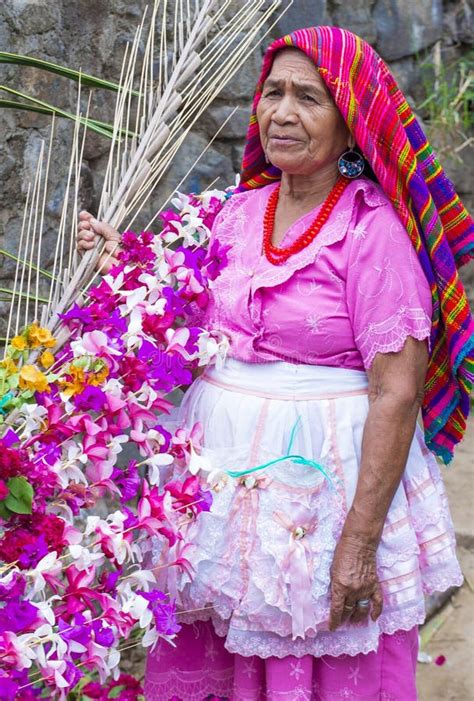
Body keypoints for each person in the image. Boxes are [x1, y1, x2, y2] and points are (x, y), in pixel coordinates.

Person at [77, 26, 473, 701]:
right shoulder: (239, 212)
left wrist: (357, 546)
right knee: (218, 660)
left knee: (318, 657)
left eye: (309, 98)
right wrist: (134, 261)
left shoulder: (371, 231)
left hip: (323, 504)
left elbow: (397, 392)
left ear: (351, 120)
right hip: (225, 502)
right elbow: (195, 303)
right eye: (274, 93)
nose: (282, 112)